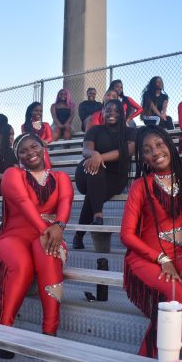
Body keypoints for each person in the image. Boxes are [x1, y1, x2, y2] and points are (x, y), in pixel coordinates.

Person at [121, 125, 182, 358]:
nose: (154, 152)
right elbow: (126, 236)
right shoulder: (140, 186)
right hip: (145, 256)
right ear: (143, 158)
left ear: (170, 145)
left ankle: (171, 352)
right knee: (177, 298)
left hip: (178, 254)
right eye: (146, 150)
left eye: (158, 144)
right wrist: (161, 258)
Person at [0, 133, 73, 359]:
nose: (29, 152)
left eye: (33, 146)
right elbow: (24, 203)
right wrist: (47, 229)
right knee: (22, 265)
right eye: (23, 151)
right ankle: (2, 332)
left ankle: (49, 332)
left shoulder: (61, 177)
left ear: (43, 146)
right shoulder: (12, 174)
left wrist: (59, 226)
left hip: (50, 234)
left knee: (46, 253)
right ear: (18, 157)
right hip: (13, 236)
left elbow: (65, 202)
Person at [72, 99, 136, 250]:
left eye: (116, 110)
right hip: (86, 175)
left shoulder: (131, 132)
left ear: (122, 113)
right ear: (103, 112)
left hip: (115, 177)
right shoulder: (95, 130)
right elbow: (85, 151)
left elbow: (127, 151)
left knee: (93, 193)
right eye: (108, 110)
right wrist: (94, 154)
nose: (111, 112)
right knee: (96, 170)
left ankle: (79, 235)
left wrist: (100, 157)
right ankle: (98, 215)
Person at [22, 102, 52, 168]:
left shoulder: (46, 125)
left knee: (43, 151)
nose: (39, 113)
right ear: (30, 112)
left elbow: (50, 138)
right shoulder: (24, 126)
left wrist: (45, 142)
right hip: (31, 151)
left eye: (41, 111)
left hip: (42, 149)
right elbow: (25, 140)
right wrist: (40, 141)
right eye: (36, 110)